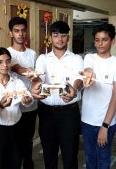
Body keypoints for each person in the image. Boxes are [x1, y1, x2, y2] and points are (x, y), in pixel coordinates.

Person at [32, 20, 83, 169]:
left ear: (68, 37)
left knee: (70, 155)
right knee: (49, 155)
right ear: (50, 37)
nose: (59, 39)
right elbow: (38, 77)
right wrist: (35, 86)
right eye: (55, 35)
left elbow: (79, 79)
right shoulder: (43, 59)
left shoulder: (76, 58)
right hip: (47, 113)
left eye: (63, 35)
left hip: (69, 113)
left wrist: (74, 89)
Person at [81, 23, 116, 169]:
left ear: (112, 41)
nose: (100, 43)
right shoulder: (89, 58)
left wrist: (104, 126)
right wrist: (88, 75)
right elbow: (88, 70)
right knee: (89, 157)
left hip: (106, 122)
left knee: (103, 158)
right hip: (87, 120)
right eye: (97, 39)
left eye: (104, 39)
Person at [0, 47, 33, 169]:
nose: (5, 65)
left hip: (17, 128)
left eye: (8, 61)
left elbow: (28, 97)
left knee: (16, 161)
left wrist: (28, 101)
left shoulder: (17, 82)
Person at [7, 17, 38, 169]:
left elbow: (36, 77)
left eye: (23, 31)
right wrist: (25, 70)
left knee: (28, 140)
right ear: (11, 33)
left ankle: (28, 164)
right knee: (15, 142)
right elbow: (15, 67)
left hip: (31, 104)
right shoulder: (7, 53)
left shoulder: (32, 54)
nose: (20, 34)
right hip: (13, 105)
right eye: (16, 31)